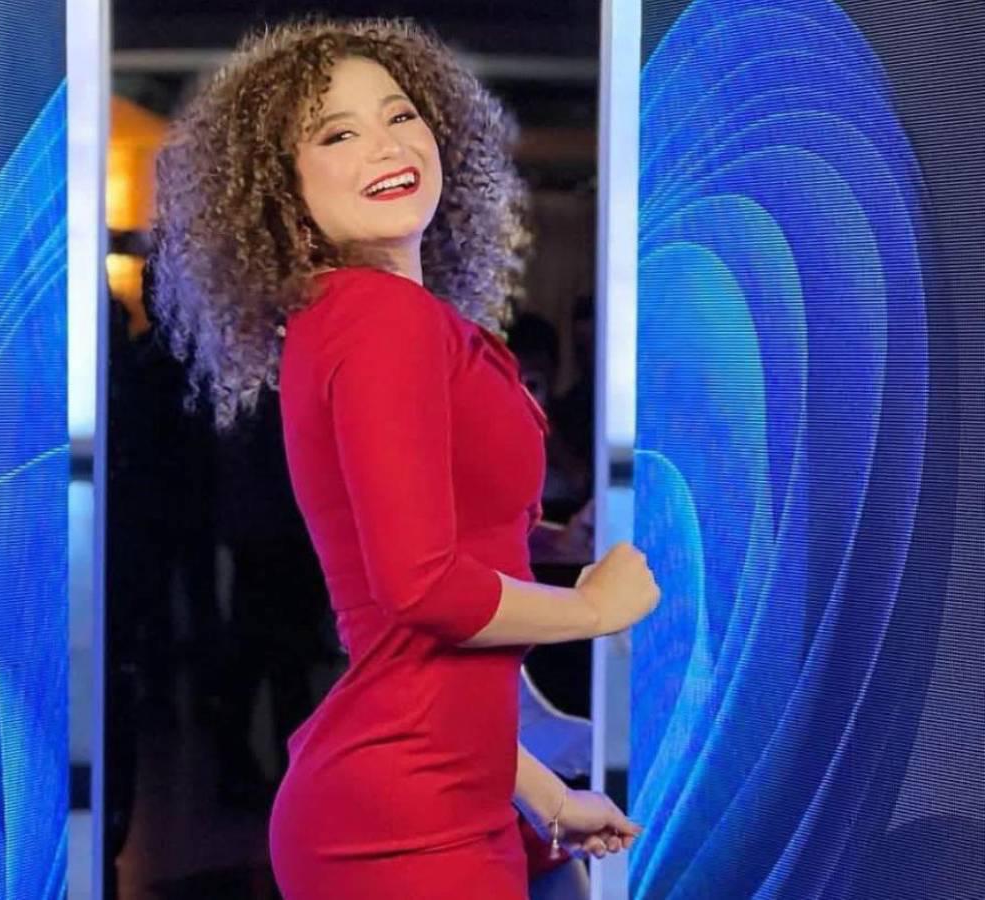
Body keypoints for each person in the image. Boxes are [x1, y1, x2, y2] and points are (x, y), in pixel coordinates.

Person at [153, 18, 660, 899]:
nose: (384, 146)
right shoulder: (382, 322)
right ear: (283, 188)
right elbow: (420, 590)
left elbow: (420, 637)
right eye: (337, 134)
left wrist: (545, 796)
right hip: (406, 823)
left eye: (398, 115)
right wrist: (592, 608)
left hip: (445, 792)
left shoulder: (355, 319)